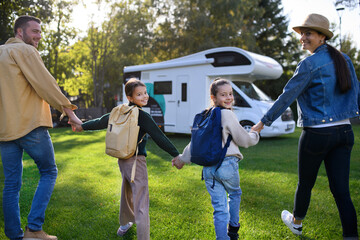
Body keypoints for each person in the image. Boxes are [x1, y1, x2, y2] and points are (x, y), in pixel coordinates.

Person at [252, 13, 359, 240]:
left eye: (308, 33)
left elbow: (287, 96)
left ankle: (296, 223)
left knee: (305, 184)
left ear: (322, 37)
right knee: (341, 191)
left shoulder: (309, 64)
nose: (302, 37)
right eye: (302, 33)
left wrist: (262, 123)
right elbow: (356, 91)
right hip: (345, 133)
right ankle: (351, 236)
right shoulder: (344, 59)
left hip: (317, 135)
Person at [0, 15, 82, 240]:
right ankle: (34, 229)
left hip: (5, 131)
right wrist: (70, 112)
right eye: (34, 31)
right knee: (49, 171)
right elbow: (46, 84)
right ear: (20, 32)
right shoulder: (25, 51)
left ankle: (14, 236)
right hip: (31, 126)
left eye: (39, 32)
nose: (38, 36)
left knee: (11, 185)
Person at [71, 78, 180, 240]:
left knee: (127, 190)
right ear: (130, 97)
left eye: (145, 93)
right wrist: (176, 155)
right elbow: (159, 137)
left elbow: (102, 121)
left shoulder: (119, 110)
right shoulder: (142, 116)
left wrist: (82, 126)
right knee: (141, 201)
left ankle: (124, 224)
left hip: (122, 159)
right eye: (139, 94)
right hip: (136, 160)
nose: (145, 97)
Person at [172, 78, 261, 240]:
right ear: (213, 97)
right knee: (234, 194)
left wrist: (182, 159)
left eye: (230, 94)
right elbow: (245, 141)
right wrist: (255, 133)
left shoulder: (206, 115)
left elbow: (195, 143)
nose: (228, 98)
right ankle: (233, 228)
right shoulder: (227, 114)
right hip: (227, 165)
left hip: (208, 169)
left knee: (219, 208)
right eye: (223, 95)